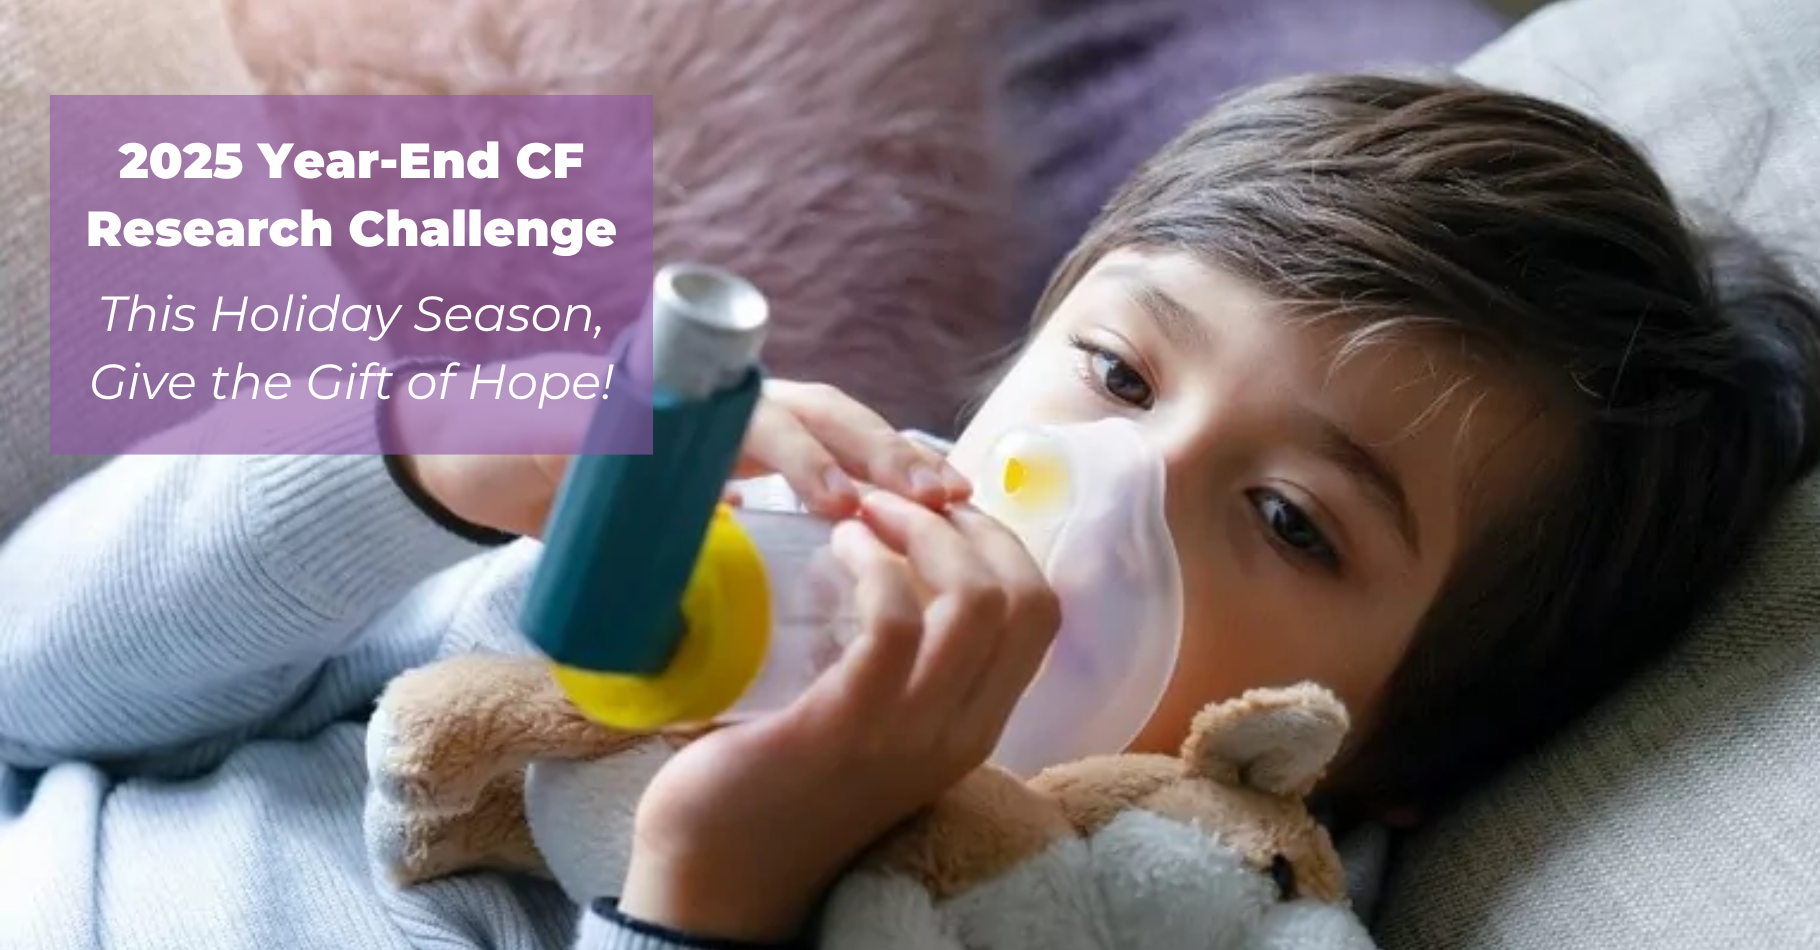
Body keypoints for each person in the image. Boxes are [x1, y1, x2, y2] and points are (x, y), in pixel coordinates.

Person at [4, 73, 1819, 950]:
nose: (1113, 487)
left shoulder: (1167, 918)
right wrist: (435, 466)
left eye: (1288, 519)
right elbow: (29, 690)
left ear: (1391, 748)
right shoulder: (703, 529)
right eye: (1117, 371)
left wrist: (708, 896)